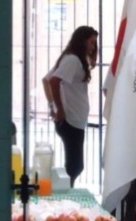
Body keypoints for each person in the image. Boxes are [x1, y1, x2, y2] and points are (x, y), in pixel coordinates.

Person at [42, 25, 98, 188]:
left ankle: (64, 191)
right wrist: (58, 109)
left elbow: (47, 80)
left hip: (74, 119)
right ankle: (63, 193)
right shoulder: (72, 60)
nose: (93, 47)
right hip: (70, 119)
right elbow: (53, 81)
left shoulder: (70, 58)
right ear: (82, 41)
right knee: (75, 165)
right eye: (91, 42)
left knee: (74, 165)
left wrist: (53, 106)